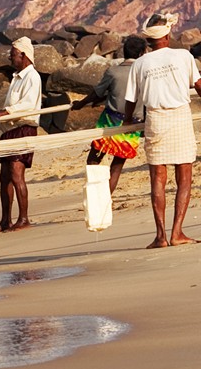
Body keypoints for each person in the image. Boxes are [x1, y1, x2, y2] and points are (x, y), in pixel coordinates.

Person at [123, 13, 201, 249]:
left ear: (149, 39)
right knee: (184, 177)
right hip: (179, 117)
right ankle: (177, 232)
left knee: (158, 178)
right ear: (167, 35)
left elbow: (130, 100)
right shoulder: (183, 55)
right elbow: (198, 86)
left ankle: (161, 236)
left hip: (154, 119)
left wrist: (127, 121)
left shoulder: (140, 63)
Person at [77, 35, 146, 194]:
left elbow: (97, 93)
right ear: (142, 53)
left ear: (123, 51)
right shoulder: (144, 73)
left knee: (94, 158)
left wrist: (80, 104)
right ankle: (106, 197)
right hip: (133, 123)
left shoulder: (113, 71)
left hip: (110, 120)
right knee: (117, 165)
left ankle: (94, 195)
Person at [0, 37, 42, 233]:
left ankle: (24, 218)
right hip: (10, 129)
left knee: (17, 174)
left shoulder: (32, 77)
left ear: (23, 55)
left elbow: (26, 106)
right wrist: (0, 119)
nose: (10, 59)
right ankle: (5, 220)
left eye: (12, 55)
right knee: (4, 177)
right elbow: (12, 106)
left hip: (24, 128)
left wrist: (4, 113)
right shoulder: (17, 77)